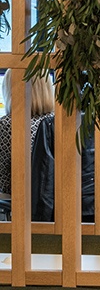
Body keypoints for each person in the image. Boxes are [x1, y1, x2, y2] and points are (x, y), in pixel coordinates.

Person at [0, 72, 55, 200]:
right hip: (56, 199)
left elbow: (4, 181)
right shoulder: (59, 122)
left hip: (20, 200)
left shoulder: (7, 125)